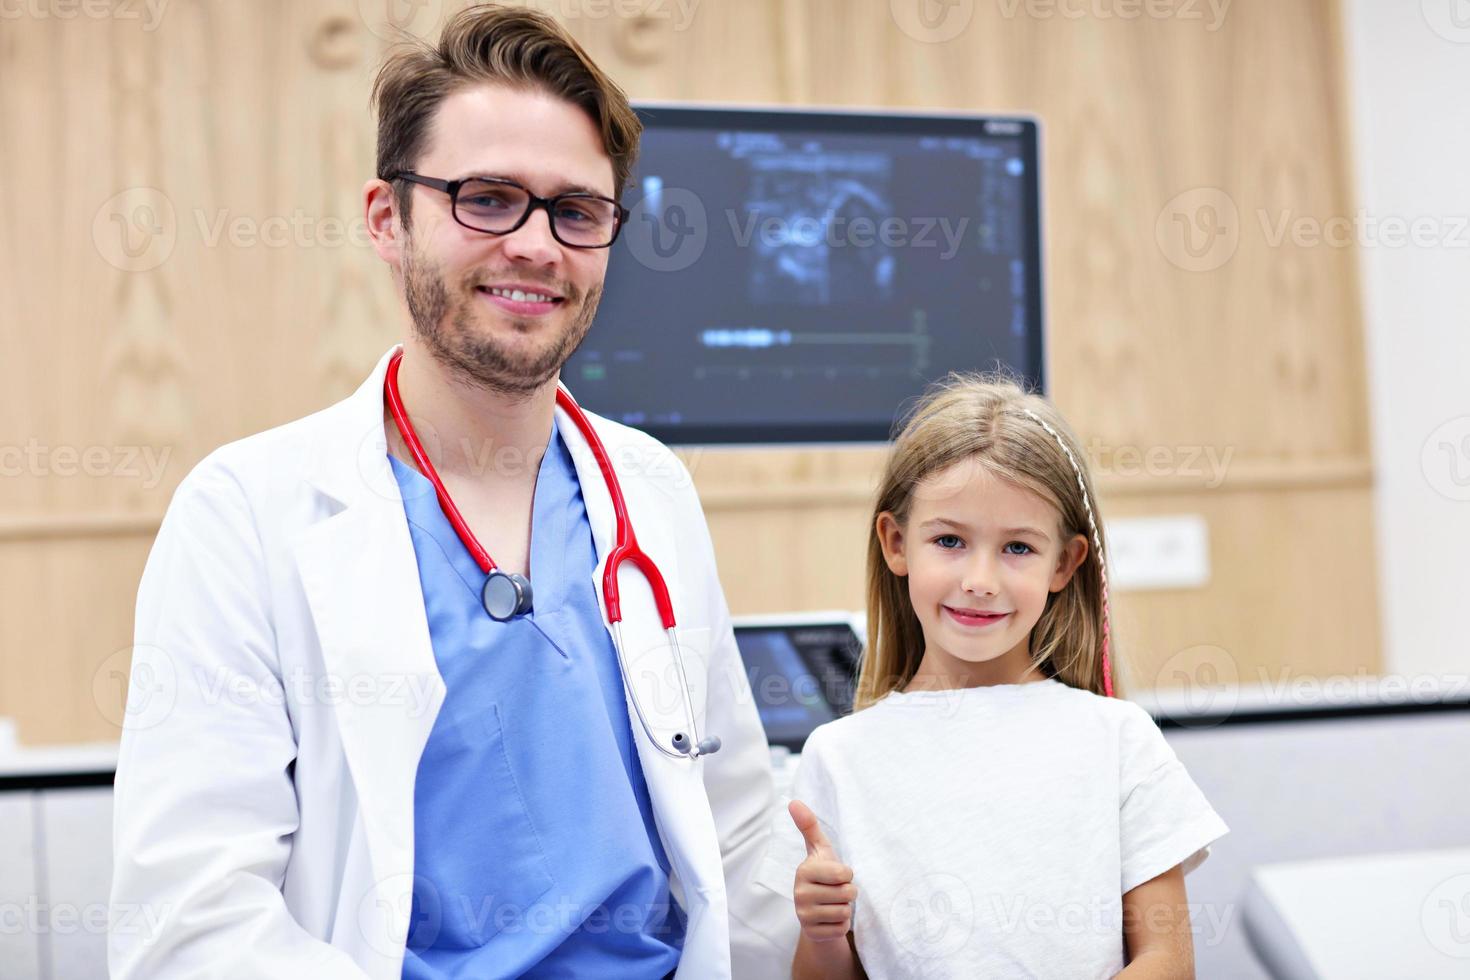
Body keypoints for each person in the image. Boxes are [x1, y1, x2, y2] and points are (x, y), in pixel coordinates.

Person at [108, 6, 792, 978]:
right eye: (487, 197)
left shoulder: (652, 491)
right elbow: (191, 923)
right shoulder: (245, 514)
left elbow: (740, 827)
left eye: (576, 210)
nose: (536, 244)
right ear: (389, 218)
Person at [782, 373, 1229, 978]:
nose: (981, 580)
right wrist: (823, 932)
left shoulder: (1118, 739)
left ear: (1064, 563)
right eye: (949, 540)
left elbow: (1167, 960)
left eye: (1017, 548)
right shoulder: (839, 757)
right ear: (896, 544)